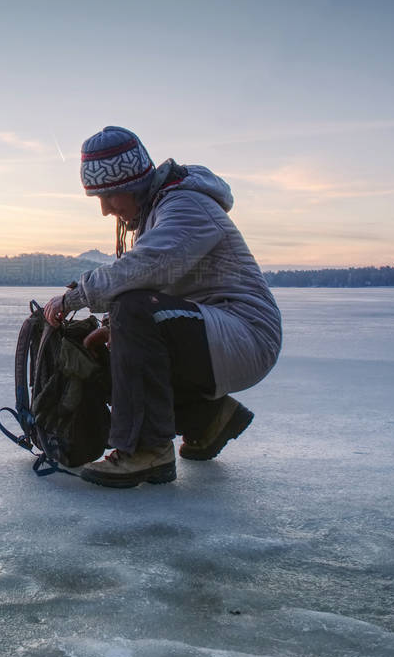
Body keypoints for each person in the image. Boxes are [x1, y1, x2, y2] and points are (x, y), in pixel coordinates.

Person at [43, 126, 281, 487]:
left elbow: (148, 266)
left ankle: (146, 451)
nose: (106, 210)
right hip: (211, 330)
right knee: (108, 354)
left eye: (111, 195)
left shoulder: (187, 204)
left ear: (135, 182)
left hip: (245, 335)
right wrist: (116, 331)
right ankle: (208, 418)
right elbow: (162, 286)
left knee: (133, 309)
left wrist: (77, 297)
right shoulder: (156, 211)